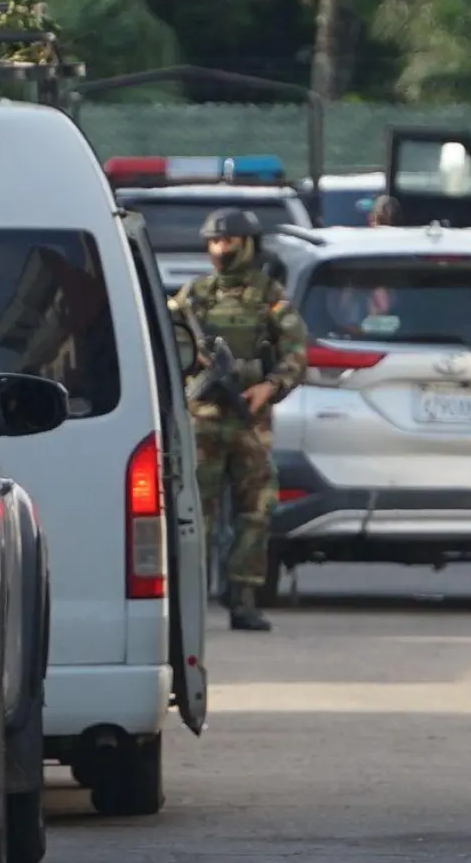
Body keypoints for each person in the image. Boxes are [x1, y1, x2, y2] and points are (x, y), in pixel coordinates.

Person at [174, 208, 309, 632]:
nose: (221, 249)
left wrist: (268, 388)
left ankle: (244, 597)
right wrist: (190, 359)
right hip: (202, 421)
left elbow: (296, 354)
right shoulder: (192, 296)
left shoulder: (270, 296)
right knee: (197, 514)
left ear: (248, 244)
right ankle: (188, 601)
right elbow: (165, 343)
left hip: (250, 421)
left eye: (229, 241)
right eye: (214, 241)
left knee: (255, 510)